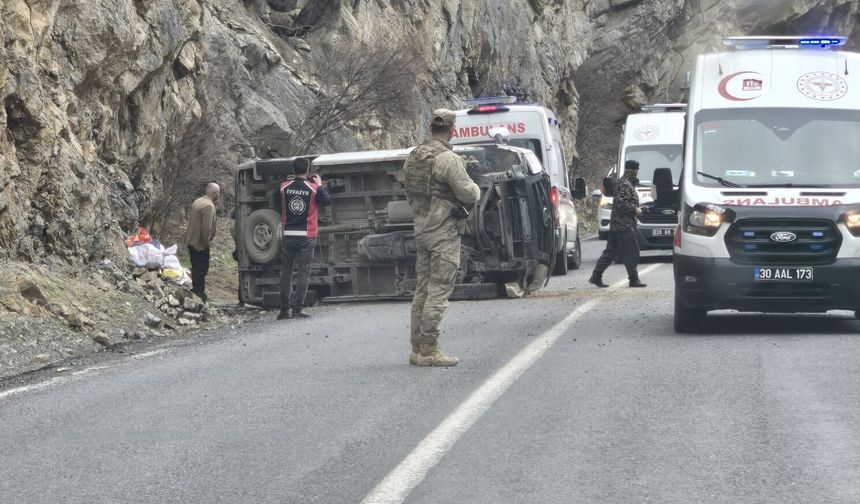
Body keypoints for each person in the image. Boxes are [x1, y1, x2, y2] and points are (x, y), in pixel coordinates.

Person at [404, 109, 481, 367]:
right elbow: (468, 193)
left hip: (422, 230)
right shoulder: (448, 159)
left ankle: (417, 349)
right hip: (443, 233)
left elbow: (410, 192)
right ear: (452, 130)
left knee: (422, 290)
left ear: (430, 127)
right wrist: (476, 188)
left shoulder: (414, 157)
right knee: (438, 291)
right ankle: (429, 350)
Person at [277, 158, 331, 320]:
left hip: (288, 234)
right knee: (303, 272)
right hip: (307, 235)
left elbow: (278, 203)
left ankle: (284, 310)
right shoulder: (313, 188)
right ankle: (297, 309)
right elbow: (327, 201)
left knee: (286, 272)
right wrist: (319, 184)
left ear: (293, 170)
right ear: (307, 169)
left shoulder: (283, 187)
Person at [589, 160, 647, 288]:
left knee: (610, 252)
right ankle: (634, 279)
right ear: (634, 170)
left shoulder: (625, 183)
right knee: (632, 252)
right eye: (636, 170)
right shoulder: (625, 184)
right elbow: (622, 204)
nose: (637, 172)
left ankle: (596, 276)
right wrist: (635, 209)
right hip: (624, 225)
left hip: (618, 225)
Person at [185, 182, 221, 302]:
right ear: (214, 193)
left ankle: (195, 291)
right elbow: (206, 228)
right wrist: (206, 245)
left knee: (195, 266)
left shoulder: (198, 201)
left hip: (191, 240)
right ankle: (199, 294)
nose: (219, 195)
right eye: (218, 193)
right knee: (201, 269)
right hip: (199, 243)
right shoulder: (208, 206)